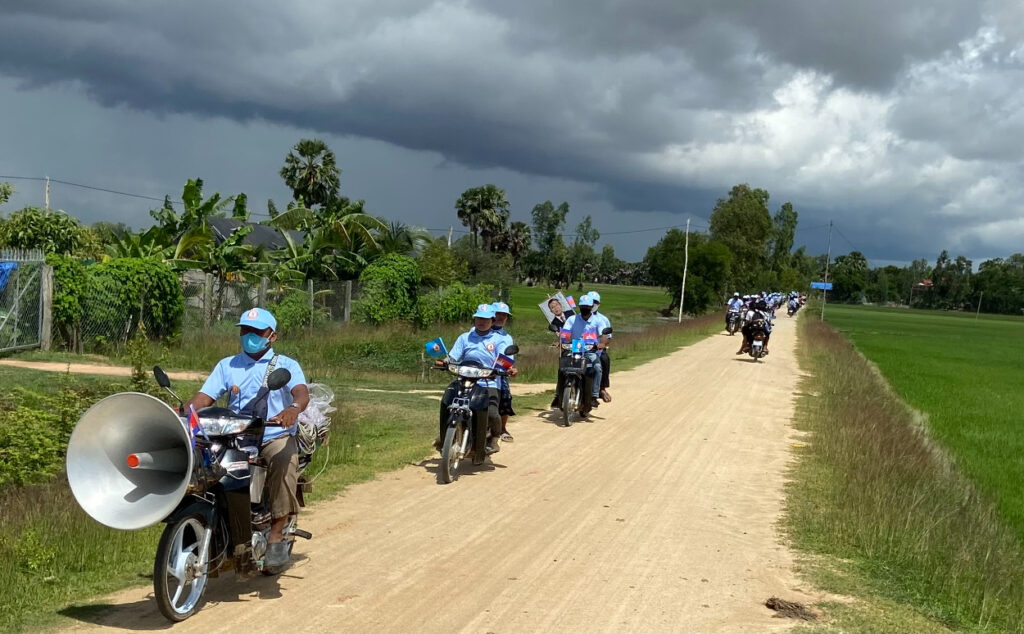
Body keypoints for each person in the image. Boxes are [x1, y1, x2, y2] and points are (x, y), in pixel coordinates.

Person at [183, 308, 309, 568]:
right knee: (202, 463)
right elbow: (204, 398)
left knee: (284, 459)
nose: (249, 335)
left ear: (272, 336)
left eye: (256, 331)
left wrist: (292, 410)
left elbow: (301, 393)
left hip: (273, 434)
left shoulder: (287, 365)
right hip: (234, 436)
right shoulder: (228, 365)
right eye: (244, 330)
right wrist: (183, 412)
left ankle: (275, 535)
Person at [435, 304, 517, 463]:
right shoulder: (465, 337)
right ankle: (444, 436)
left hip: (489, 382)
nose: (482, 322)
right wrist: (445, 362)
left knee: (492, 413)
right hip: (464, 379)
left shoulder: (499, 339)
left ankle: (494, 437)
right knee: (447, 401)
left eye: (486, 319)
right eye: (479, 318)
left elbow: (504, 360)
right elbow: (453, 356)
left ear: (492, 321)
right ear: (474, 320)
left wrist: (506, 369)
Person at [557, 295, 607, 409]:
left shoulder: (597, 320)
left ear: (591, 307)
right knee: (562, 368)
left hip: (590, 351)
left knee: (597, 368)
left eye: (587, 306)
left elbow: (604, 335)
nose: (585, 308)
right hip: (574, 349)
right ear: (579, 307)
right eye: (582, 306)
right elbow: (565, 333)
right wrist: (560, 341)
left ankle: (594, 396)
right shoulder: (572, 319)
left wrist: (602, 343)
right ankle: (558, 395)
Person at [491, 301, 516, 442]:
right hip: (475, 372)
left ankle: (502, 428)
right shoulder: (476, 332)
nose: (500, 317)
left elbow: (507, 359)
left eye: (504, 315)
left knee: (505, 398)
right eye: (497, 314)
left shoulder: (506, 337)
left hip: (498, 373)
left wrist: (508, 368)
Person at [588, 291, 612, 403]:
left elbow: (608, 336)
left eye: (595, 302)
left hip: (596, 349)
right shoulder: (577, 317)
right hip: (580, 348)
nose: (593, 305)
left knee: (604, 359)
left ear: (599, 304)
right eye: (590, 302)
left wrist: (602, 344)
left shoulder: (603, 319)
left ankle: (602, 388)